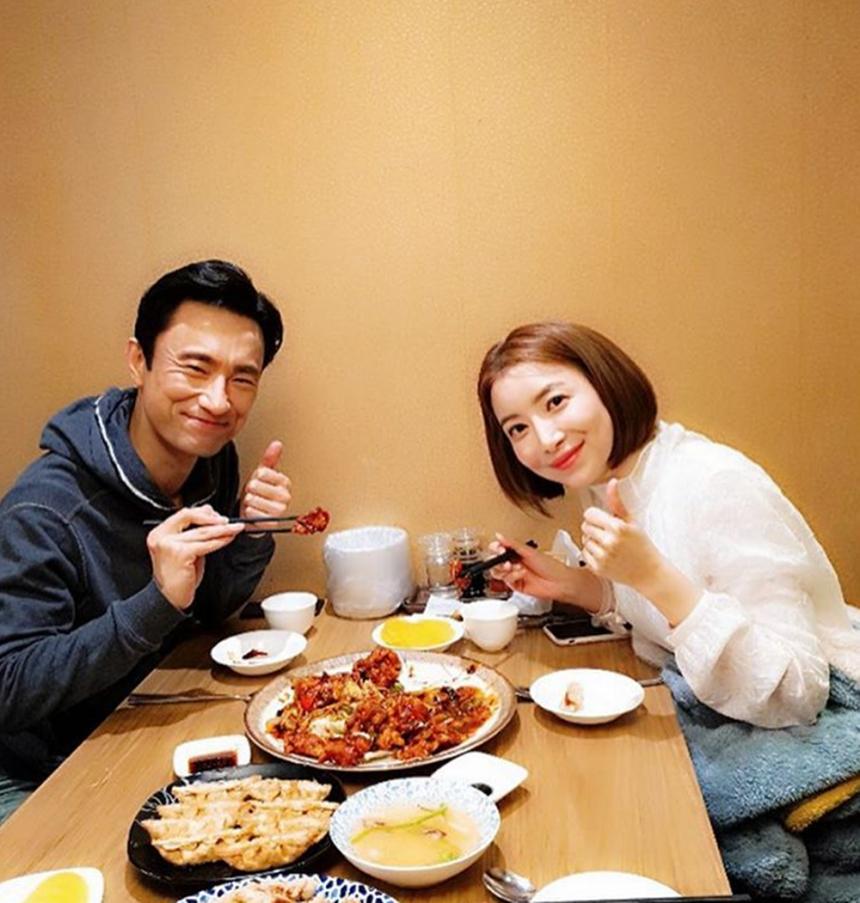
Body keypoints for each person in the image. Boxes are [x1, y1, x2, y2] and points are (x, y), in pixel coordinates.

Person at [0, 260, 292, 822]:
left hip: (147, 721)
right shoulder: (46, 510)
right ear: (139, 360)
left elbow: (207, 607)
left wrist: (250, 532)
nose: (218, 400)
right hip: (38, 770)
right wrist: (153, 604)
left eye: (242, 378)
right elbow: (9, 688)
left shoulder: (211, 461)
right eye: (196, 368)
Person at [478, 321, 860, 729]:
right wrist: (572, 585)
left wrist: (652, 574)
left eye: (555, 401)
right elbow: (649, 607)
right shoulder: (605, 479)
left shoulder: (715, 482)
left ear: (604, 382)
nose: (546, 438)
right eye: (518, 428)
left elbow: (798, 693)